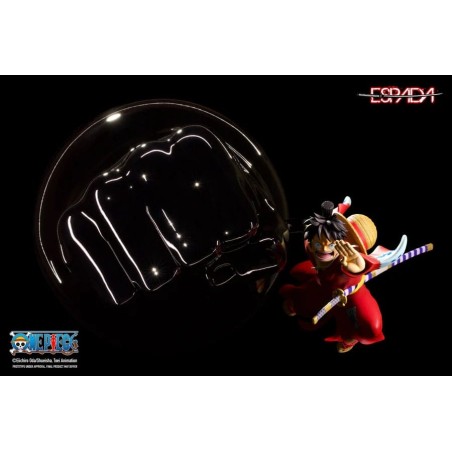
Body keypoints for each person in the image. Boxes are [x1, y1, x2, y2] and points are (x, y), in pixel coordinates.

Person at [280, 200, 384, 353]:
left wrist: (357, 269)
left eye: (332, 244)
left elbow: (356, 270)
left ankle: (349, 339)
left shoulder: (349, 262)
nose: (323, 248)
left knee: (366, 326)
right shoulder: (317, 239)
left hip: (348, 297)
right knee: (303, 301)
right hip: (321, 283)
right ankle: (297, 302)